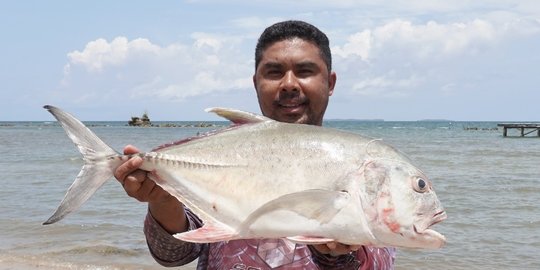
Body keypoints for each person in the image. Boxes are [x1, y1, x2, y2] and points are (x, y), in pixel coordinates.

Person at [114, 20, 396, 269]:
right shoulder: (223, 151)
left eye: (305, 71)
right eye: (274, 72)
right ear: (256, 82)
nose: (289, 84)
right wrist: (162, 199)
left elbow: (380, 262)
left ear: (330, 82)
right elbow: (173, 255)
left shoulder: (358, 162)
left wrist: (335, 256)